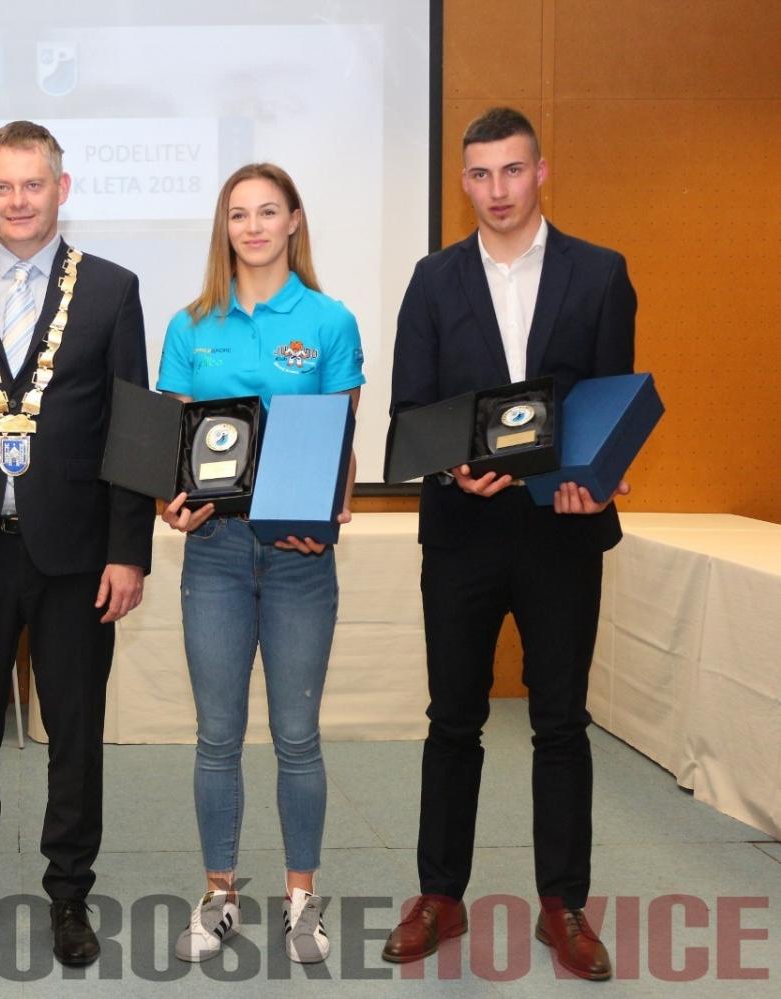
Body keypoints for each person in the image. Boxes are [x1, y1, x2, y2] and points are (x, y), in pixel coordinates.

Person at [384, 106, 636, 982]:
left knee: (560, 720)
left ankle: (564, 906)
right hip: (461, 531)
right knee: (452, 717)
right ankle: (439, 895)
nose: (497, 190)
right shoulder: (431, 280)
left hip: (562, 529)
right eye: (481, 174)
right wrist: (455, 465)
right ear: (464, 183)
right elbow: (411, 410)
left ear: (542, 173)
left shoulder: (601, 275)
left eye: (512, 171)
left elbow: (609, 402)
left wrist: (596, 472)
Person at [0, 120, 153, 967]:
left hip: (78, 553)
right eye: (3, 186)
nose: (18, 201)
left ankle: (68, 895)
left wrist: (131, 551)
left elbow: (133, 428)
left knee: (75, 731)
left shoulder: (114, 290)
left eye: (33, 185)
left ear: (63, 188)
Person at [156, 163, 362, 965]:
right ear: (225, 227)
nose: (253, 227)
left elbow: (343, 438)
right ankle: (220, 895)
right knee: (216, 734)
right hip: (212, 551)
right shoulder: (190, 324)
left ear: (294, 220)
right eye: (238, 214)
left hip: (299, 555)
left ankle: (302, 899)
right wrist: (169, 503)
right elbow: (175, 448)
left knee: (298, 734)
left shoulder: (329, 319)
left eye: (268, 211)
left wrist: (332, 513)